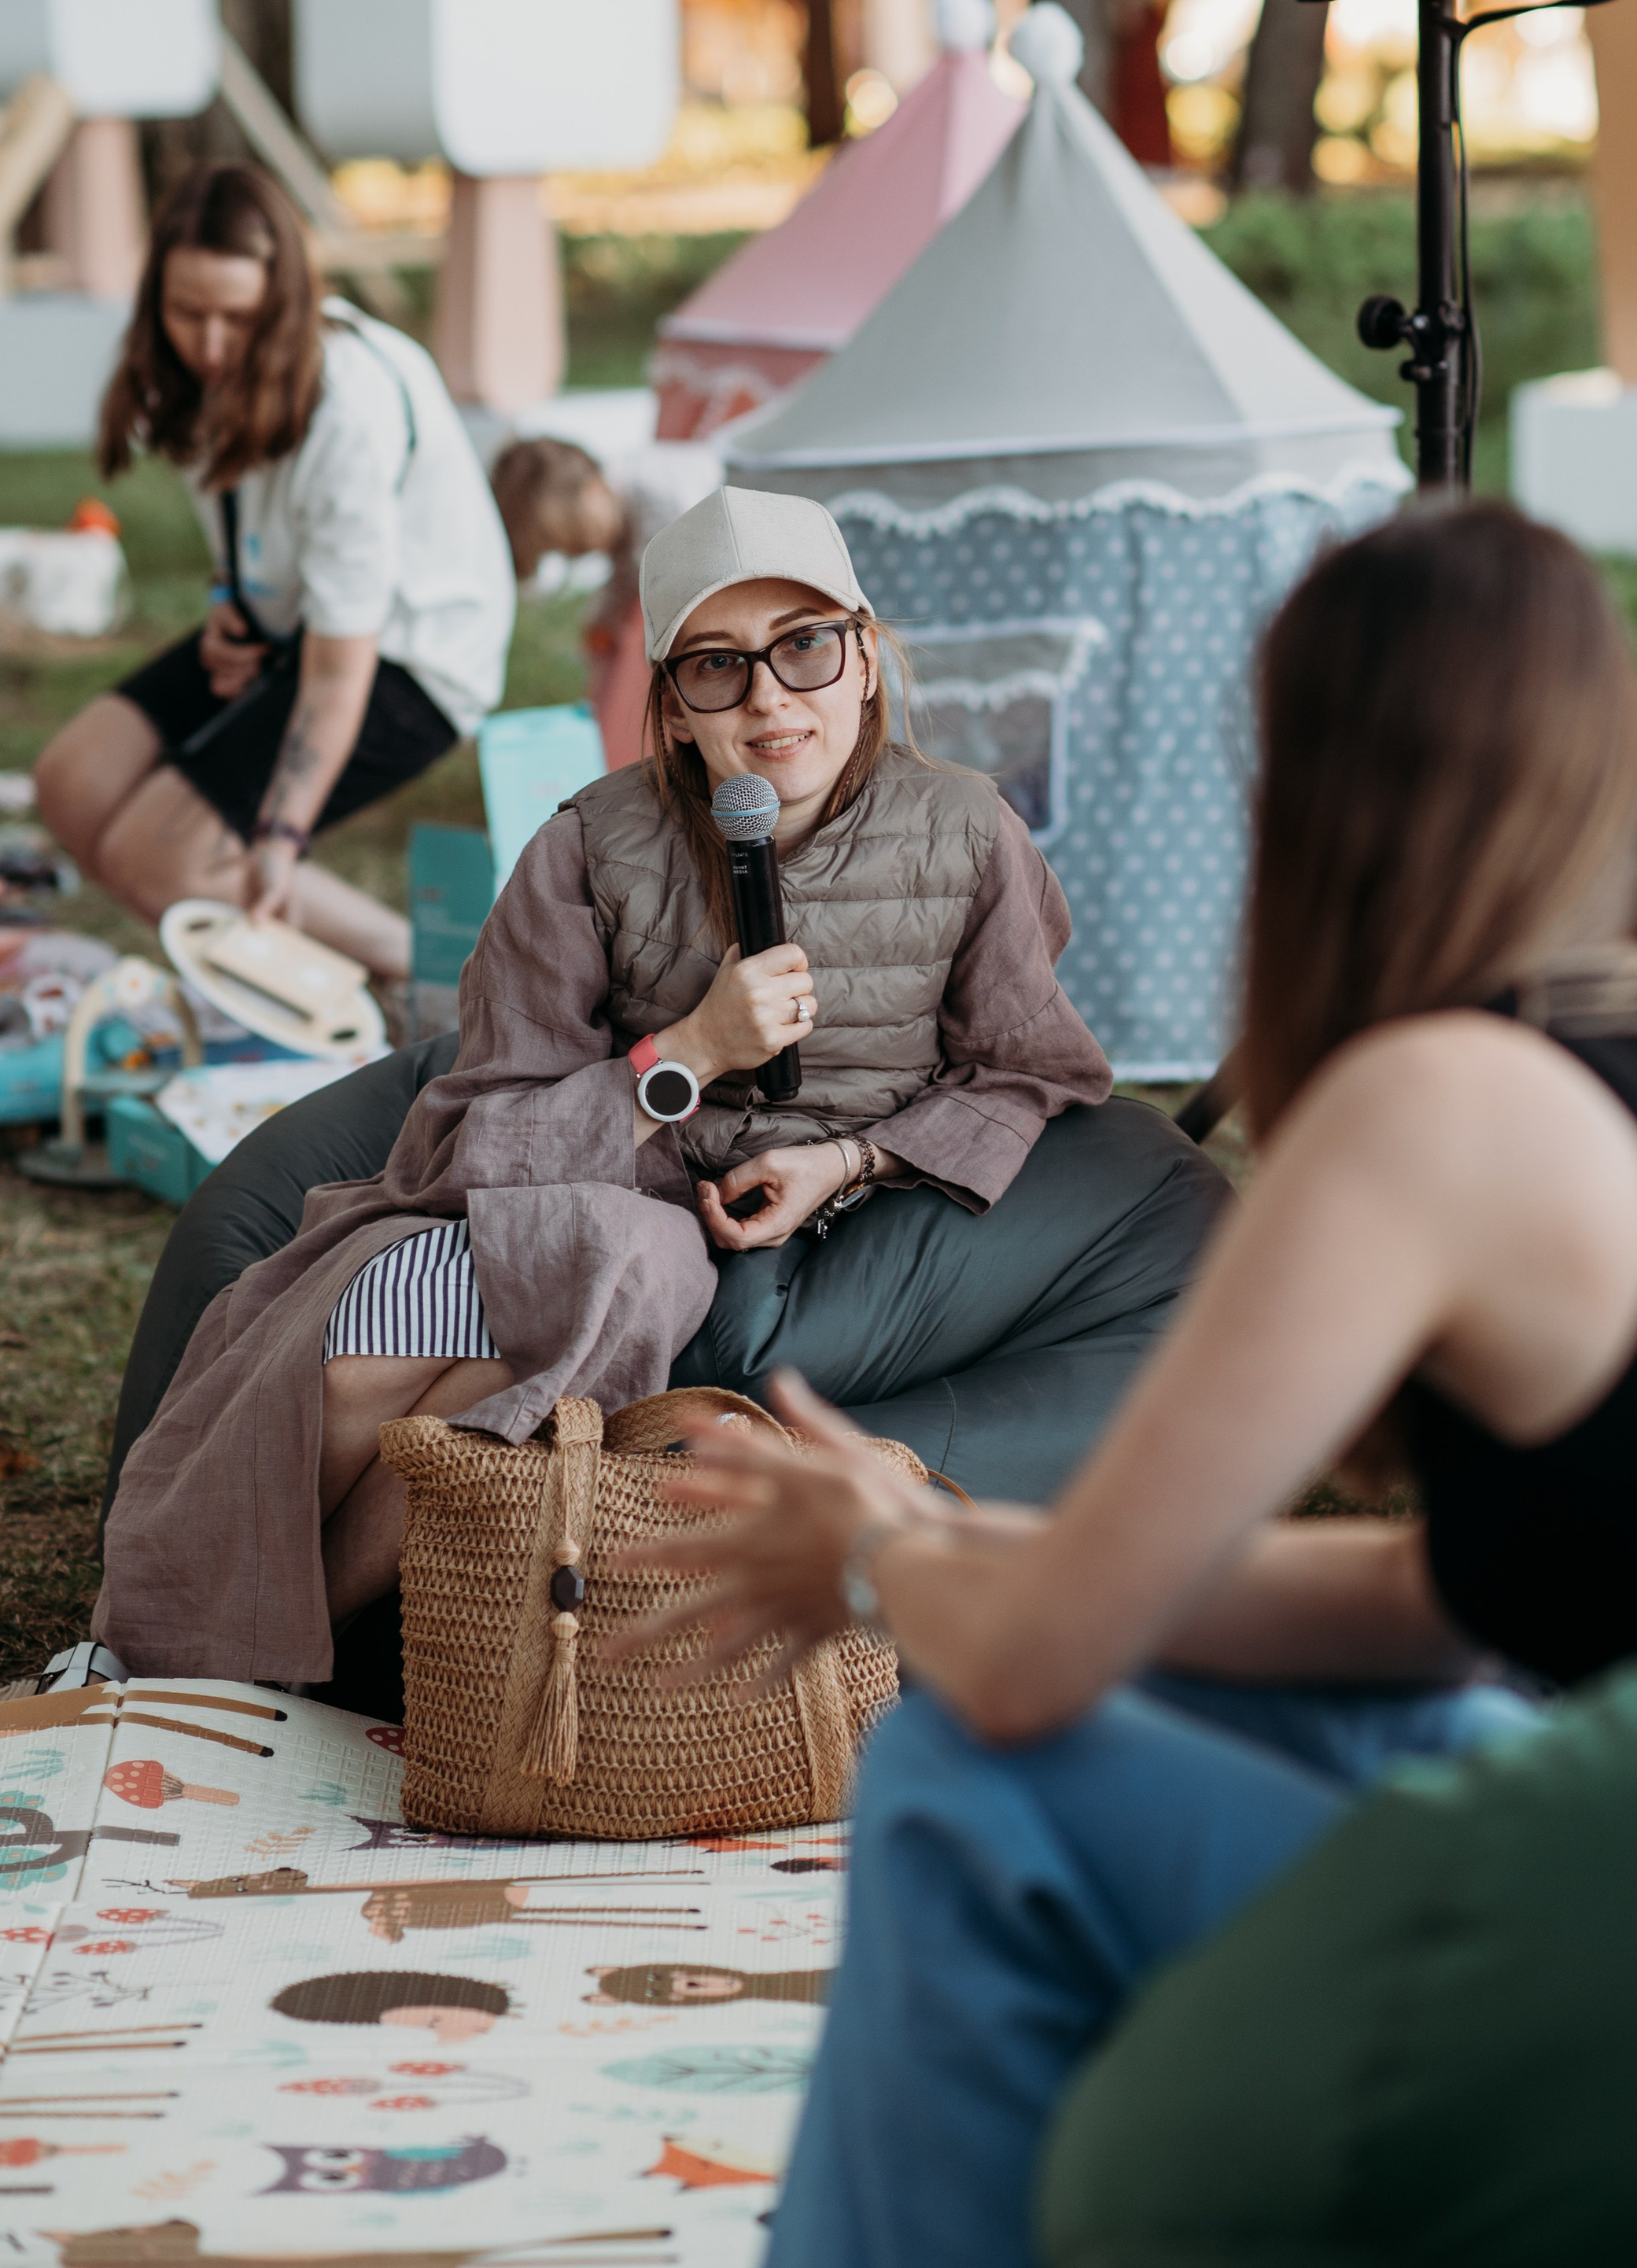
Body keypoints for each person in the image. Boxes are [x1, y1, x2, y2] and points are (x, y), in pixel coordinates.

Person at [600, 500, 1637, 2268]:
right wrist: (983, 1552)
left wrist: (896, 1550)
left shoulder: (1437, 1097)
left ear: (1319, 784)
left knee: (974, 1768)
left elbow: (1038, 1663)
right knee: (1169, 1703)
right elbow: (1449, 1596)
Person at [97, 484, 1207, 1687]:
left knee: (490, 1354)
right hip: (601, 1178)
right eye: (719, 667)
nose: (772, 696)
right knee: (374, 1351)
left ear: (868, 658)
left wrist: (849, 1159)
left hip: (846, 1228)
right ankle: (196, 1643)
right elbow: (477, 1128)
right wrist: (690, 1051)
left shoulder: (969, 832)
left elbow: (1033, 1066)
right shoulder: (589, 843)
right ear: (674, 709)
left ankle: (218, 1655)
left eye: (806, 646)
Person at [34, 164, 515, 983]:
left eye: (239, 318)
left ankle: (429, 968)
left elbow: (339, 671)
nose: (213, 345)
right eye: (188, 313)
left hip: (412, 649)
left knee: (157, 858)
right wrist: (231, 605)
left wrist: (282, 833)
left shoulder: (345, 413)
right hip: (300, 619)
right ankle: (310, 958)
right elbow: (245, 528)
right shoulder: (183, 377)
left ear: (283, 304)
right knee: (71, 784)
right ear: (156, 298)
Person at [489, 433, 651, 767]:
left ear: (592, 488)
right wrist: (602, 620)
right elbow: (626, 574)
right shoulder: (619, 514)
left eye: (574, 538)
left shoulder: (660, 499)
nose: (576, 552)